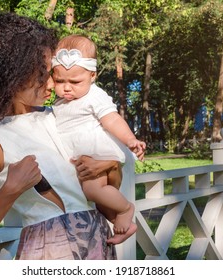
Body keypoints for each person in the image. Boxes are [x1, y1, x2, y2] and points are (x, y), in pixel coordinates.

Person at [0, 13, 122, 260]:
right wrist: (10, 190)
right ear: (9, 74)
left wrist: (110, 167)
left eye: (50, 72)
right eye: (41, 74)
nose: (52, 84)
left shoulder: (62, 116)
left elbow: (107, 199)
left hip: (99, 246)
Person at [51, 35, 146, 244]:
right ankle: (123, 226)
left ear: (92, 75)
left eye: (75, 82)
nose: (67, 87)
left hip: (95, 151)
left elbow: (112, 119)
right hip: (80, 156)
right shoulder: (59, 103)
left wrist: (130, 139)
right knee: (97, 199)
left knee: (93, 190)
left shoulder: (94, 96)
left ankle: (126, 208)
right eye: (60, 81)